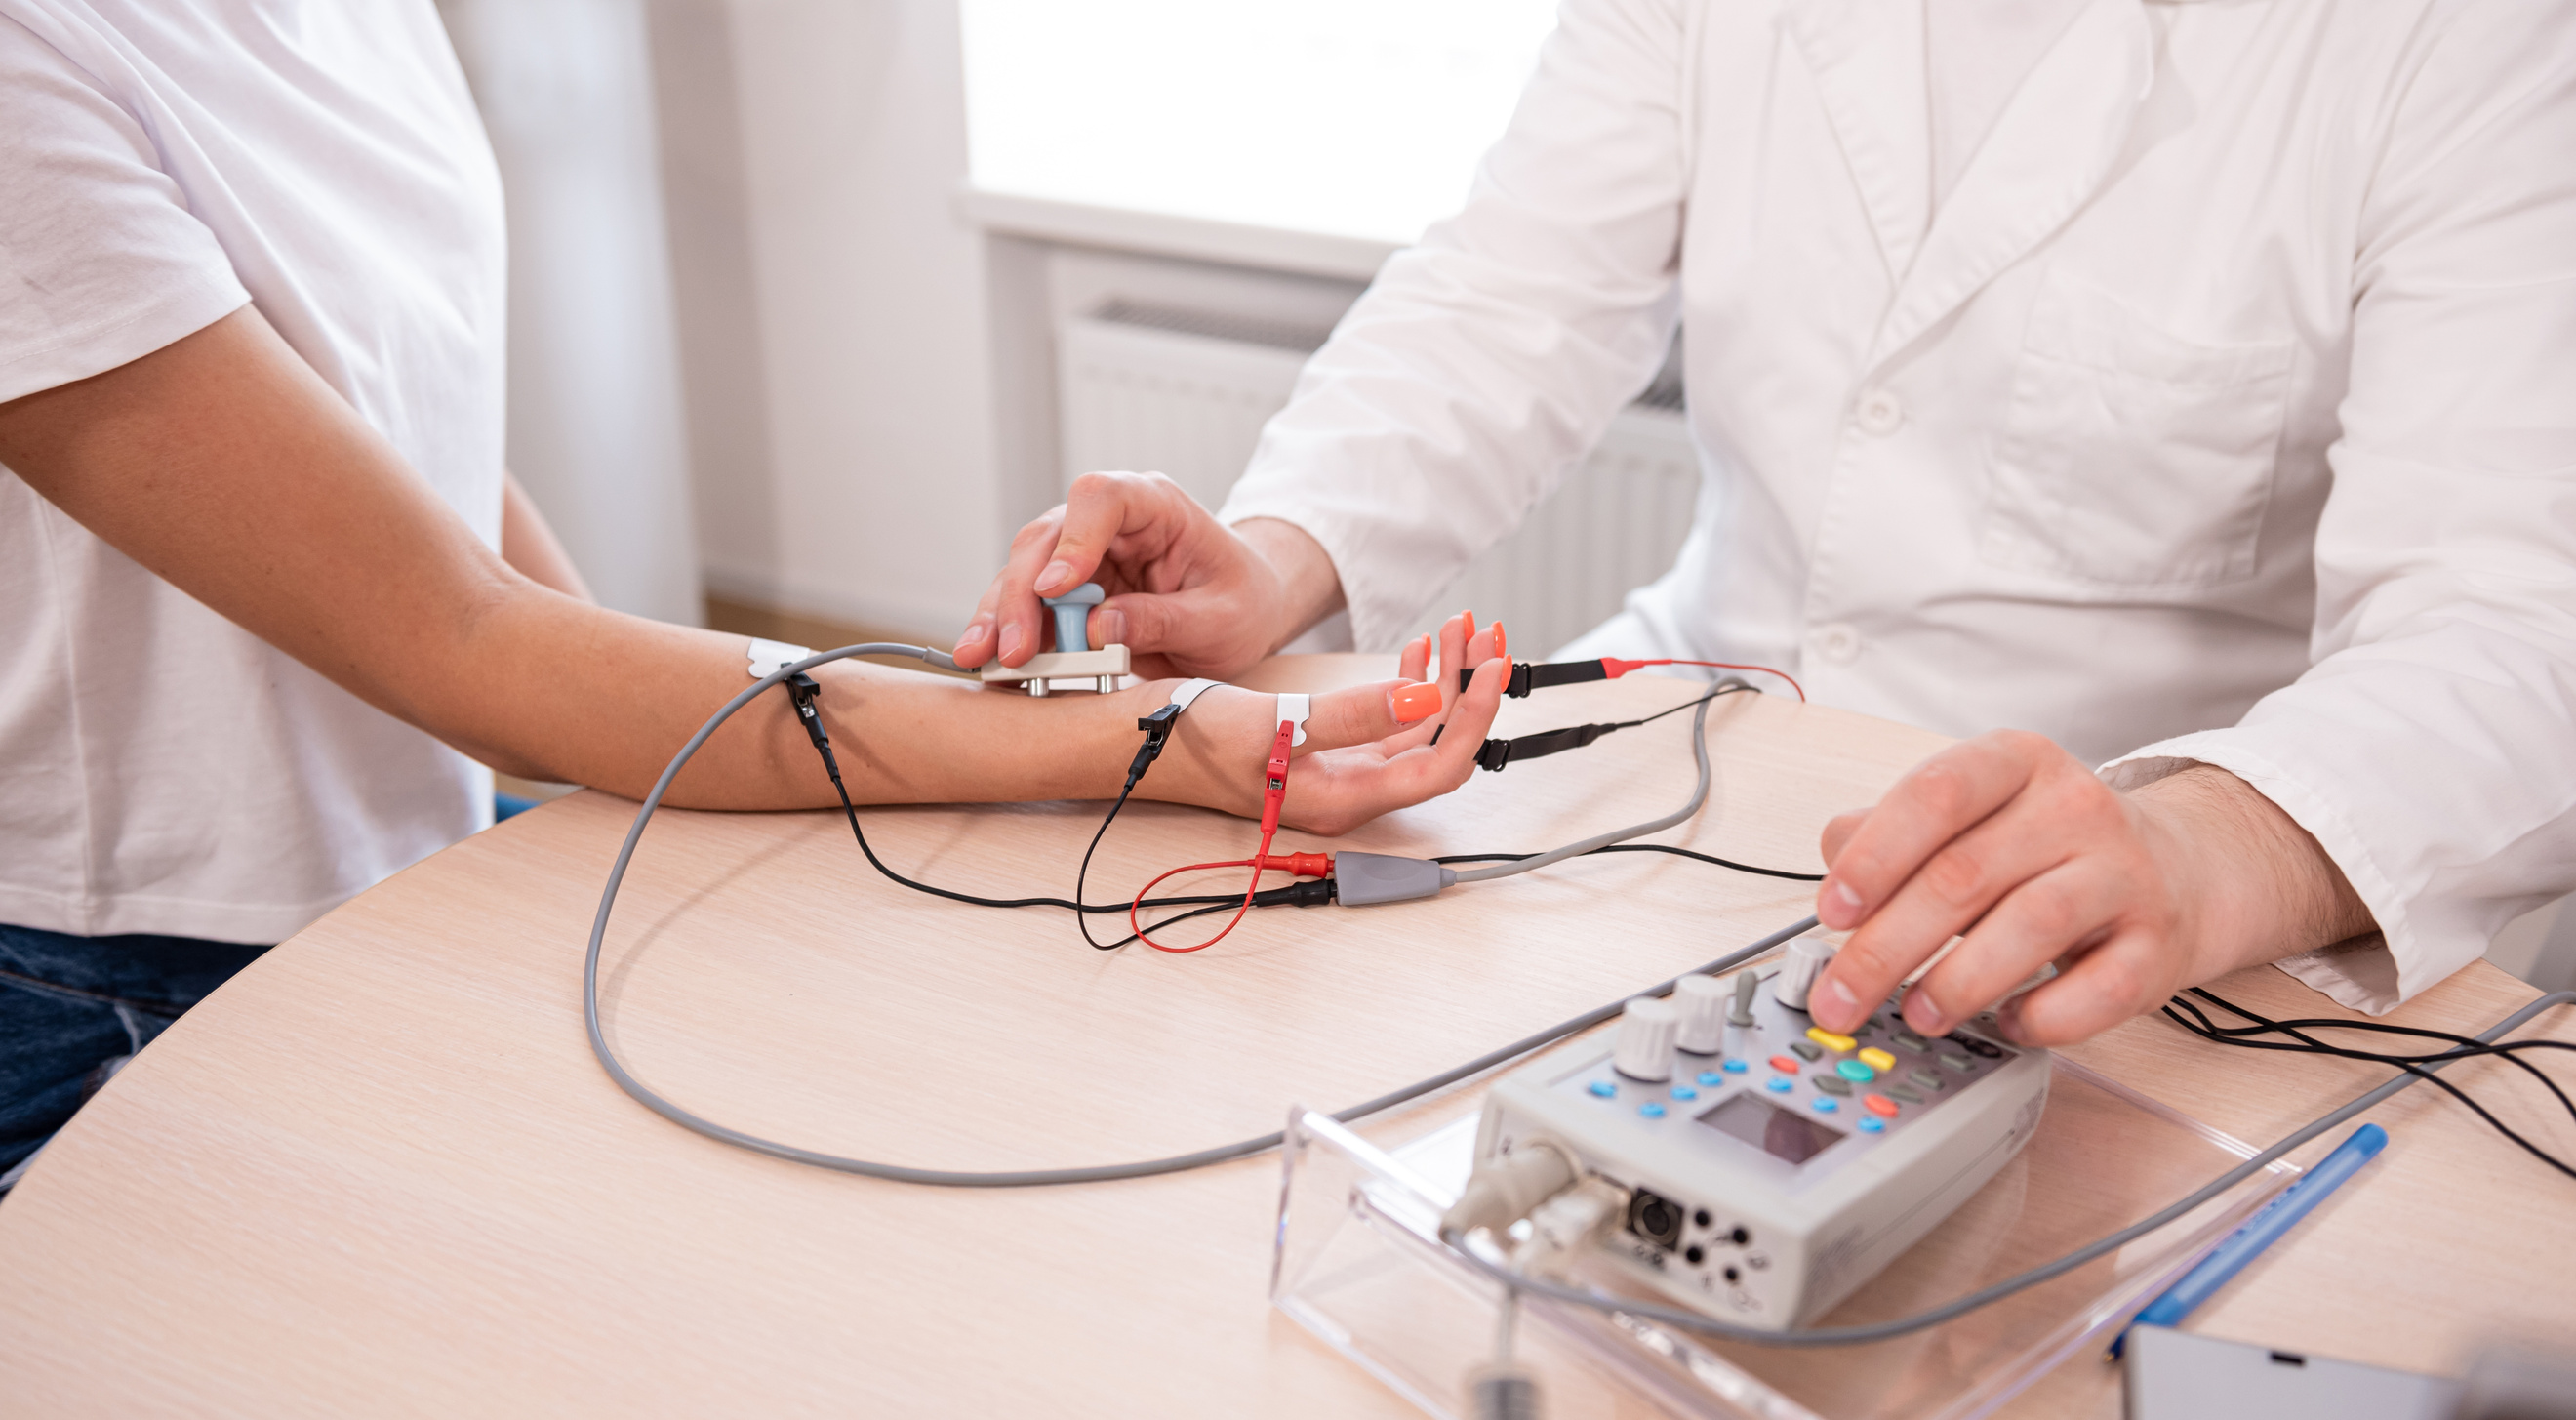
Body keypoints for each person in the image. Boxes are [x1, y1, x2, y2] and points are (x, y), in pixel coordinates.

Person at [0, 0, 1506, 1192]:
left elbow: (410, 462)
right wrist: (1148, 742)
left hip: (400, 858)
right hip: (125, 974)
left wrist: (628, 716)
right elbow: (463, 632)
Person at [957, 0, 2576, 1047]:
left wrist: (2209, 843)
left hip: (2129, 886)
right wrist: (1286, 546)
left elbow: (2515, 621)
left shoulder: (2469, 43)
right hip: (1688, 726)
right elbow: (1508, 295)